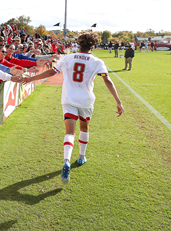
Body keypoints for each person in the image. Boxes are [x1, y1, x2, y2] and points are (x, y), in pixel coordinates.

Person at [22, 32, 124, 184]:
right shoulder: (97, 61)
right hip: (86, 100)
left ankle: (66, 160)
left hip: (69, 99)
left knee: (70, 132)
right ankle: (82, 157)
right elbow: (107, 80)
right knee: (84, 128)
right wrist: (118, 101)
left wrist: (30, 78)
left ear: (78, 44)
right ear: (93, 45)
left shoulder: (69, 57)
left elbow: (51, 71)